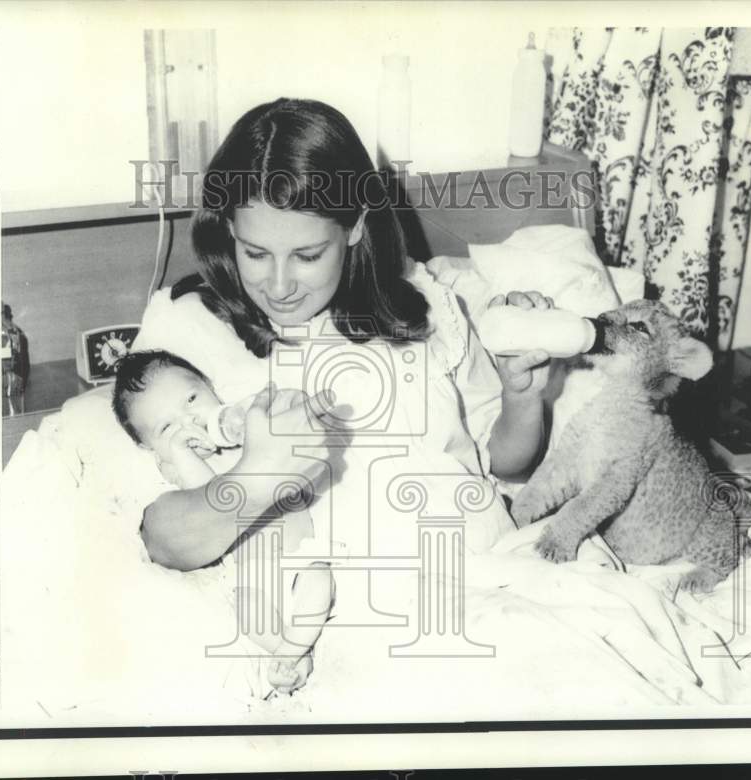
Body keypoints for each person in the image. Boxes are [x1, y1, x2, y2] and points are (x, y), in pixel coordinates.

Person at [132, 97, 554, 576]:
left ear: (354, 227)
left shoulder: (425, 306)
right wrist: (260, 476)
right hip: (356, 596)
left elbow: (502, 464)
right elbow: (157, 537)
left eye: (307, 255)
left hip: (489, 563)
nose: (278, 285)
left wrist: (524, 398)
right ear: (229, 228)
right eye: (254, 253)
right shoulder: (187, 328)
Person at [111, 349, 335, 695]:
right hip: (254, 570)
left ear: (211, 388)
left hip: (302, 552)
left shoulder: (245, 429)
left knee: (319, 583)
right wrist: (183, 452)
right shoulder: (176, 467)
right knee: (251, 612)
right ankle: (287, 655)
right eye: (167, 427)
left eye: (191, 399)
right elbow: (213, 493)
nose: (190, 423)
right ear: (147, 447)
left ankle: (296, 649)